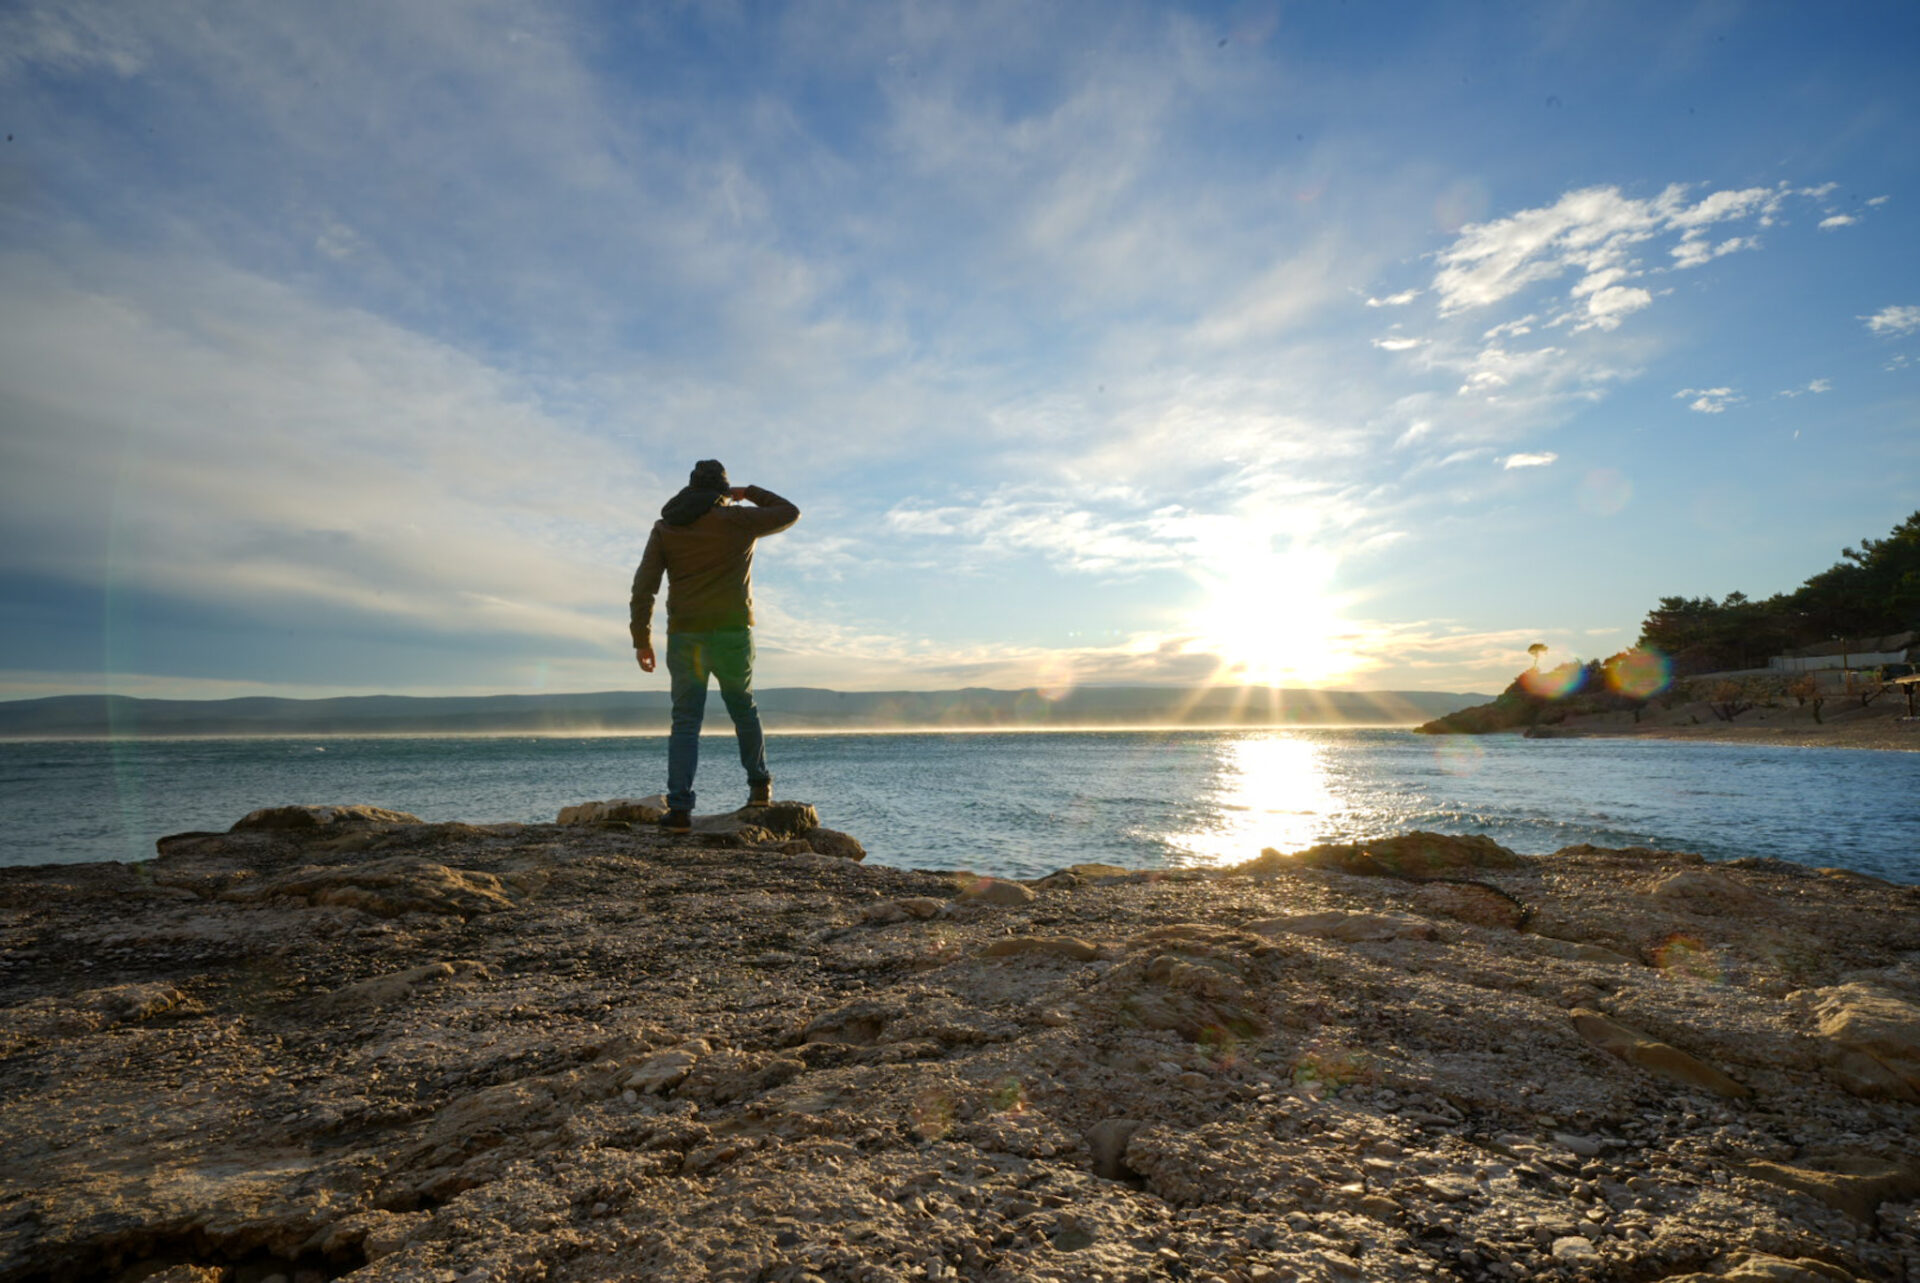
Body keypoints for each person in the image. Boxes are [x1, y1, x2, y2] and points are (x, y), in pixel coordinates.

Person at [630, 460, 800, 833]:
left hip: (685, 637)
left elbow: (644, 586)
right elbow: (789, 512)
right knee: (743, 708)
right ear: (722, 492)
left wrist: (641, 639)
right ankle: (759, 788)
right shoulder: (738, 520)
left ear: (691, 489)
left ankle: (679, 810)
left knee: (686, 721)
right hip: (732, 633)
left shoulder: (666, 527)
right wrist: (748, 493)